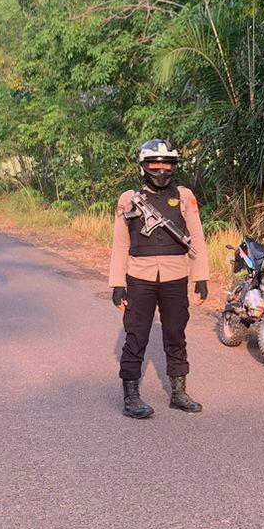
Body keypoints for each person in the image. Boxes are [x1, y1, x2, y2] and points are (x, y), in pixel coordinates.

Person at [109, 139, 209, 419]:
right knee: (136, 334)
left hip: (176, 276)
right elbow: (120, 243)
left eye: (167, 164)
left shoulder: (185, 196)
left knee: (176, 333)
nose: (161, 169)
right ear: (144, 167)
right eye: (155, 163)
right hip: (139, 277)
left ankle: (178, 392)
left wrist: (200, 277)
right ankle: (131, 397)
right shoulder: (129, 199)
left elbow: (197, 238)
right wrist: (117, 284)